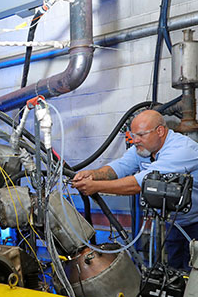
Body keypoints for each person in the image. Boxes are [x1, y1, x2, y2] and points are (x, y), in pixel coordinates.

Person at [71, 109, 198, 270]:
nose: (135, 140)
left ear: (160, 131)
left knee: (194, 274)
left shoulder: (182, 151)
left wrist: (95, 187)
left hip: (196, 223)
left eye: (141, 135)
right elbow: (121, 166)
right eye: (133, 135)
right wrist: (93, 174)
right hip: (176, 222)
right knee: (176, 271)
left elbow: (140, 184)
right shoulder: (145, 148)